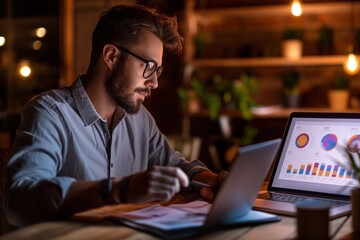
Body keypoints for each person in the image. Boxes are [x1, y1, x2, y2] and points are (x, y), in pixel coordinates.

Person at [3, 4, 226, 227]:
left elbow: (174, 165)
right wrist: (119, 190)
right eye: (148, 66)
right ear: (111, 56)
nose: (155, 83)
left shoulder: (139, 119)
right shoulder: (49, 113)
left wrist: (211, 180)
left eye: (157, 70)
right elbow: (19, 202)